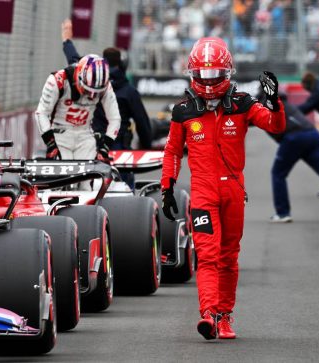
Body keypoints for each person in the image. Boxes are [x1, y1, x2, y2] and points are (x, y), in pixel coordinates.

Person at [160, 37, 286, 340]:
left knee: (229, 256)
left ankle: (225, 316)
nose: (207, 81)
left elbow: (275, 126)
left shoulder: (242, 103)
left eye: (214, 74)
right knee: (207, 256)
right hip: (202, 193)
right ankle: (208, 315)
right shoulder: (183, 111)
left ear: (226, 73)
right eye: (202, 75)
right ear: (192, 74)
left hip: (233, 192)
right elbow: (173, 151)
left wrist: (274, 102)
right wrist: (167, 187)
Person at [261, 92, 319, 223]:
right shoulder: (289, 105)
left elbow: (252, 120)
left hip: (292, 139)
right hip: (312, 135)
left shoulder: (267, 109)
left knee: (278, 174)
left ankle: (283, 213)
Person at [61, 19, 152, 151]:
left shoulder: (89, 80)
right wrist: (146, 147)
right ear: (122, 65)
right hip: (118, 146)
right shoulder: (129, 92)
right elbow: (142, 122)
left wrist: (66, 41)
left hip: (91, 144)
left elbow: (74, 60)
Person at [34, 54, 120, 163]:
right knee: (65, 177)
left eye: (97, 93)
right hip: (60, 135)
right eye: (88, 90)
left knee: (92, 177)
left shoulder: (106, 86)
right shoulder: (58, 80)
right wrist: (51, 144)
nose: (92, 96)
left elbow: (115, 118)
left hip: (86, 135)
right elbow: (41, 113)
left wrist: (104, 148)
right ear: (79, 76)